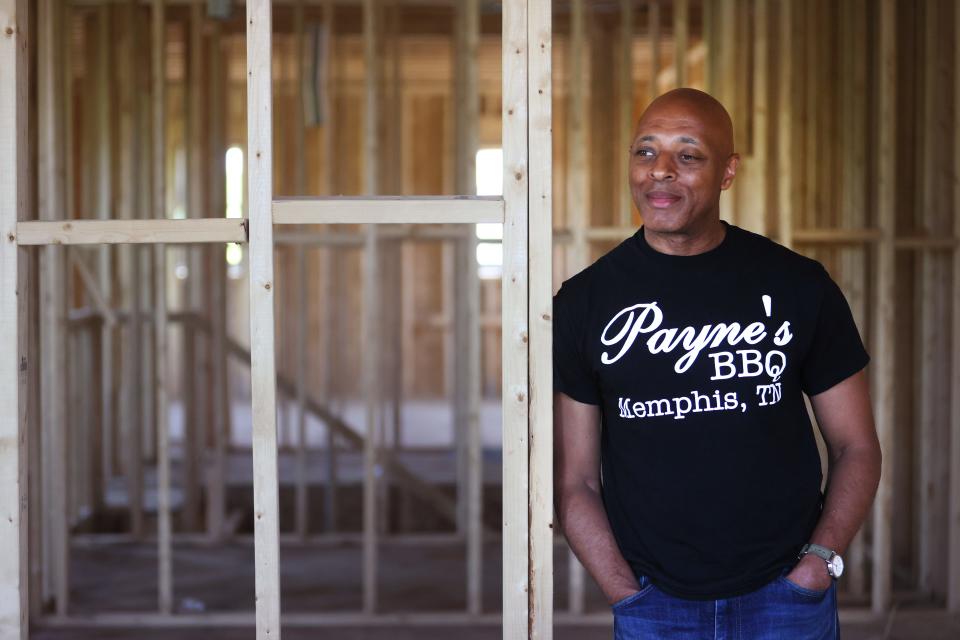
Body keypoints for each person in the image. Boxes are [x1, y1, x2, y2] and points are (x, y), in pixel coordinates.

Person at [552, 88, 882, 639]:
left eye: (688, 155)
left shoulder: (799, 286)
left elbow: (857, 446)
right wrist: (623, 593)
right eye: (645, 151)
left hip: (786, 601)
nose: (660, 171)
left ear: (728, 172)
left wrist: (817, 566)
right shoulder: (584, 303)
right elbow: (577, 481)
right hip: (654, 604)